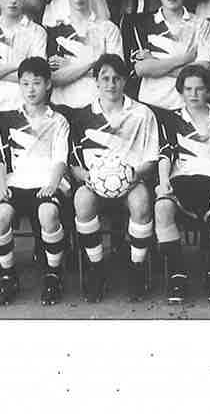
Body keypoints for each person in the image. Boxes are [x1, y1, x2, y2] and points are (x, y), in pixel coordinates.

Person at [67, 54, 160, 302]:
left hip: (132, 182)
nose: (111, 84)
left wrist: (132, 175)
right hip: (94, 183)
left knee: (141, 203)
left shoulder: (142, 114)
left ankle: (137, 268)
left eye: (117, 78)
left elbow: (151, 159)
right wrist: (87, 177)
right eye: (105, 78)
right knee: (81, 200)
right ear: (96, 81)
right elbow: (73, 164)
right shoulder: (81, 116)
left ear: (125, 81)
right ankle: (96, 268)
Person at [0, 58, 71, 307]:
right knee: (0, 217)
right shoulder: (7, 120)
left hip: (47, 182)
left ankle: (53, 275)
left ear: (48, 85)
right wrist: (2, 187)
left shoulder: (58, 120)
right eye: (25, 84)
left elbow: (61, 159)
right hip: (16, 183)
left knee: (48, 213)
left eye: (36, 83)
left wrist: (52, 185)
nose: (31, 89)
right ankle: (8, 276)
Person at [154, 64, 210, 304]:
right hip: (181, 181)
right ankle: (177, 275)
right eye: (188, 89)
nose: (193, 94)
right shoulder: (170, 118)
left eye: (199, 89)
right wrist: (163, 182)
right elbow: (165, 154)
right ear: (181, 91)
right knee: (162, 207)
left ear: (209, 92)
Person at [123, 0, 210, 111]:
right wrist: (185, 59)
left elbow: (202, 70)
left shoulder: (202, 25)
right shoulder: (142, 24)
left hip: (185, 105)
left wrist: (156, 64)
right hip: (151, 103)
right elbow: (141, 69)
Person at [46, 0, 123, 109]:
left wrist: (71, 65)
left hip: (97, 105)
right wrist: (98, 61)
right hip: (62, 105)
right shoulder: (54, 30)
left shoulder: (108, 28)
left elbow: (114, 73)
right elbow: (54, 78)